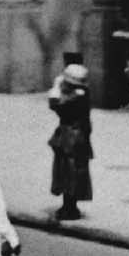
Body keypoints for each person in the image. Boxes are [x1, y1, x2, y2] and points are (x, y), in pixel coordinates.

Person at [48, 63, 94, 221]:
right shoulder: (81, 93)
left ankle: (70, 207)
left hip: (71, 137)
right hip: (77, 136)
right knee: (69, 172)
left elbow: (55, 104)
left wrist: (56, 85)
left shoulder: (77, 96)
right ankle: (68, 205)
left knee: (70, 173)